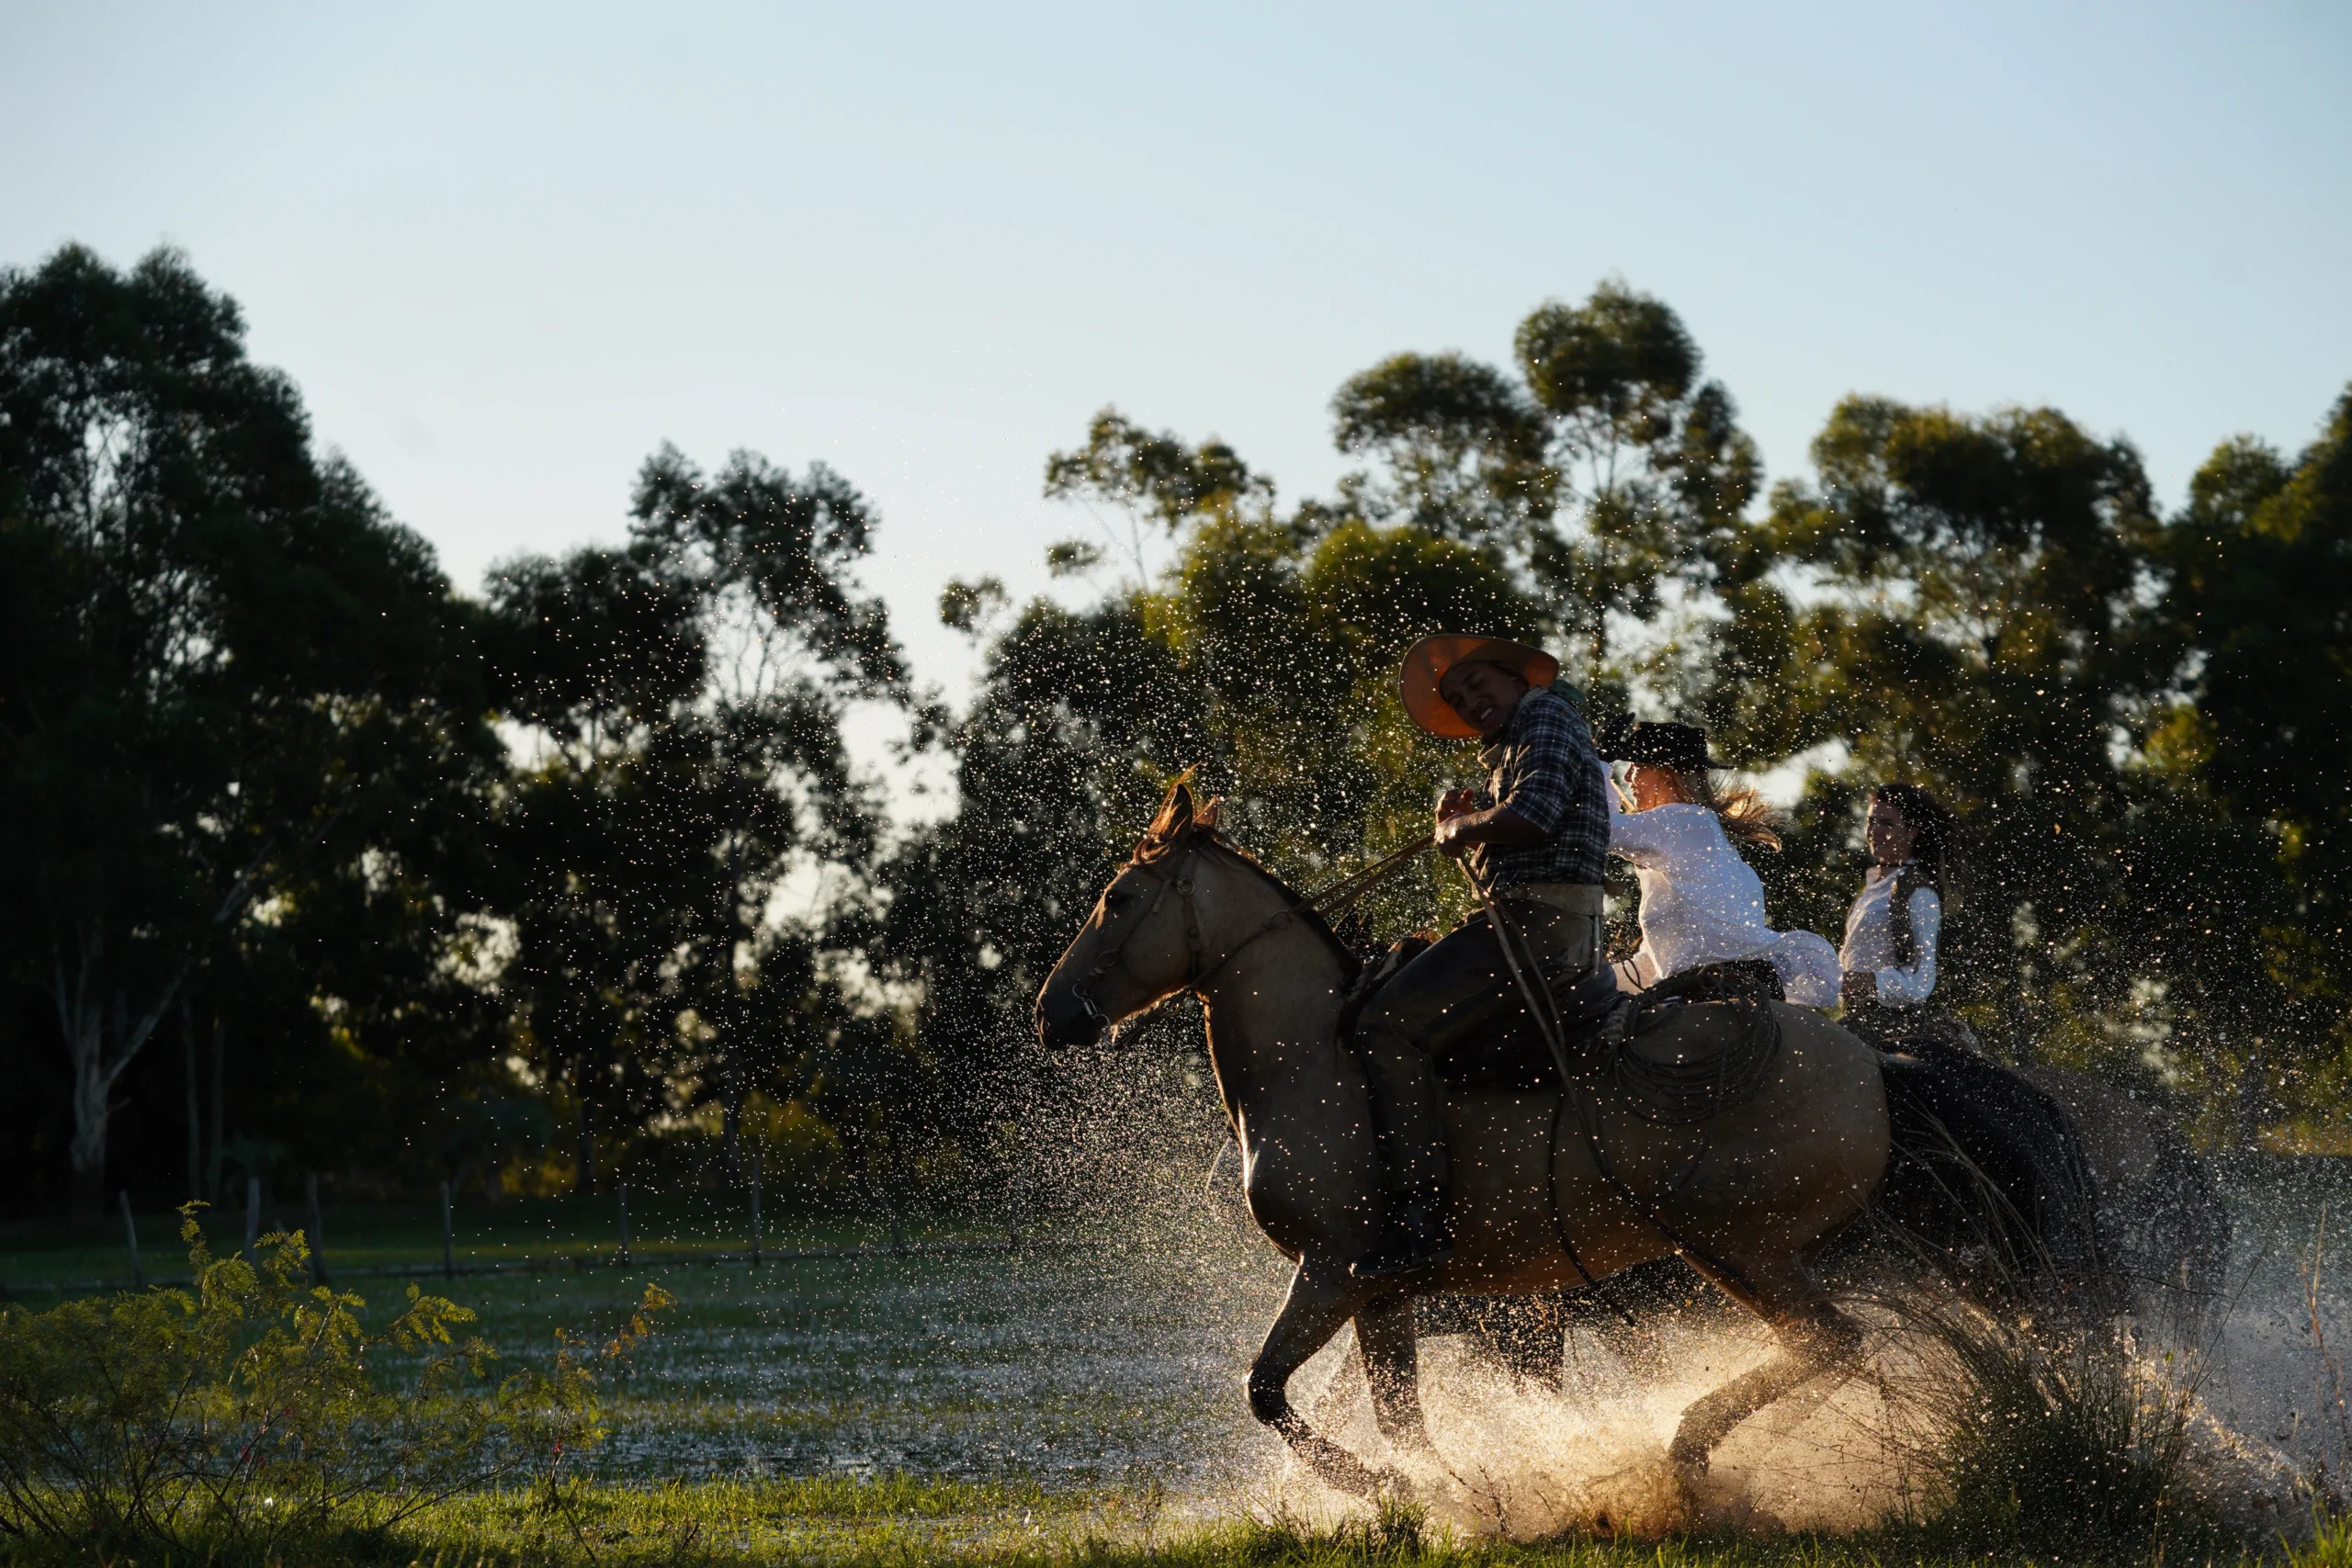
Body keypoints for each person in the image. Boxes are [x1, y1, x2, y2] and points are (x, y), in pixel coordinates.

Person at [1351, 634, 1611, 1280]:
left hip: (1539, 924)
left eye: (1478, 685)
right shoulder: (1517, 738)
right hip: (1539, 920)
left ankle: (1418, 1215)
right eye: (1460, 699)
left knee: (1384, 1023)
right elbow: (1521, 813)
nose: (1472, 702)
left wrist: (1459, 828)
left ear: (1513, 675)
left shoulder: (1545, 714)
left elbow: (1537, 814)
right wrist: (1474, 816)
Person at [1603, 721, 1842, 1007]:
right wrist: (1598, 980)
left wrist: (1600, 764)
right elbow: (1654, 963)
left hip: (1707, 993)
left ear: (1666, 774)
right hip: (1725, 987)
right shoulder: (1695, 827)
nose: (1627, 778)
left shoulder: (1682, 821)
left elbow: (1599, 828)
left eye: (1636, 767)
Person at [1839, 782, 1962, 1030]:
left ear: (1912, 831)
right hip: (1856, 1017)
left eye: (1887, 824)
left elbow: (1921, 981)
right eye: (1871, 821)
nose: (1874, 830)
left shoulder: (1918, 891)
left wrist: (1867, 981)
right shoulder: (1873, 886)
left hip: (1894, 1023)